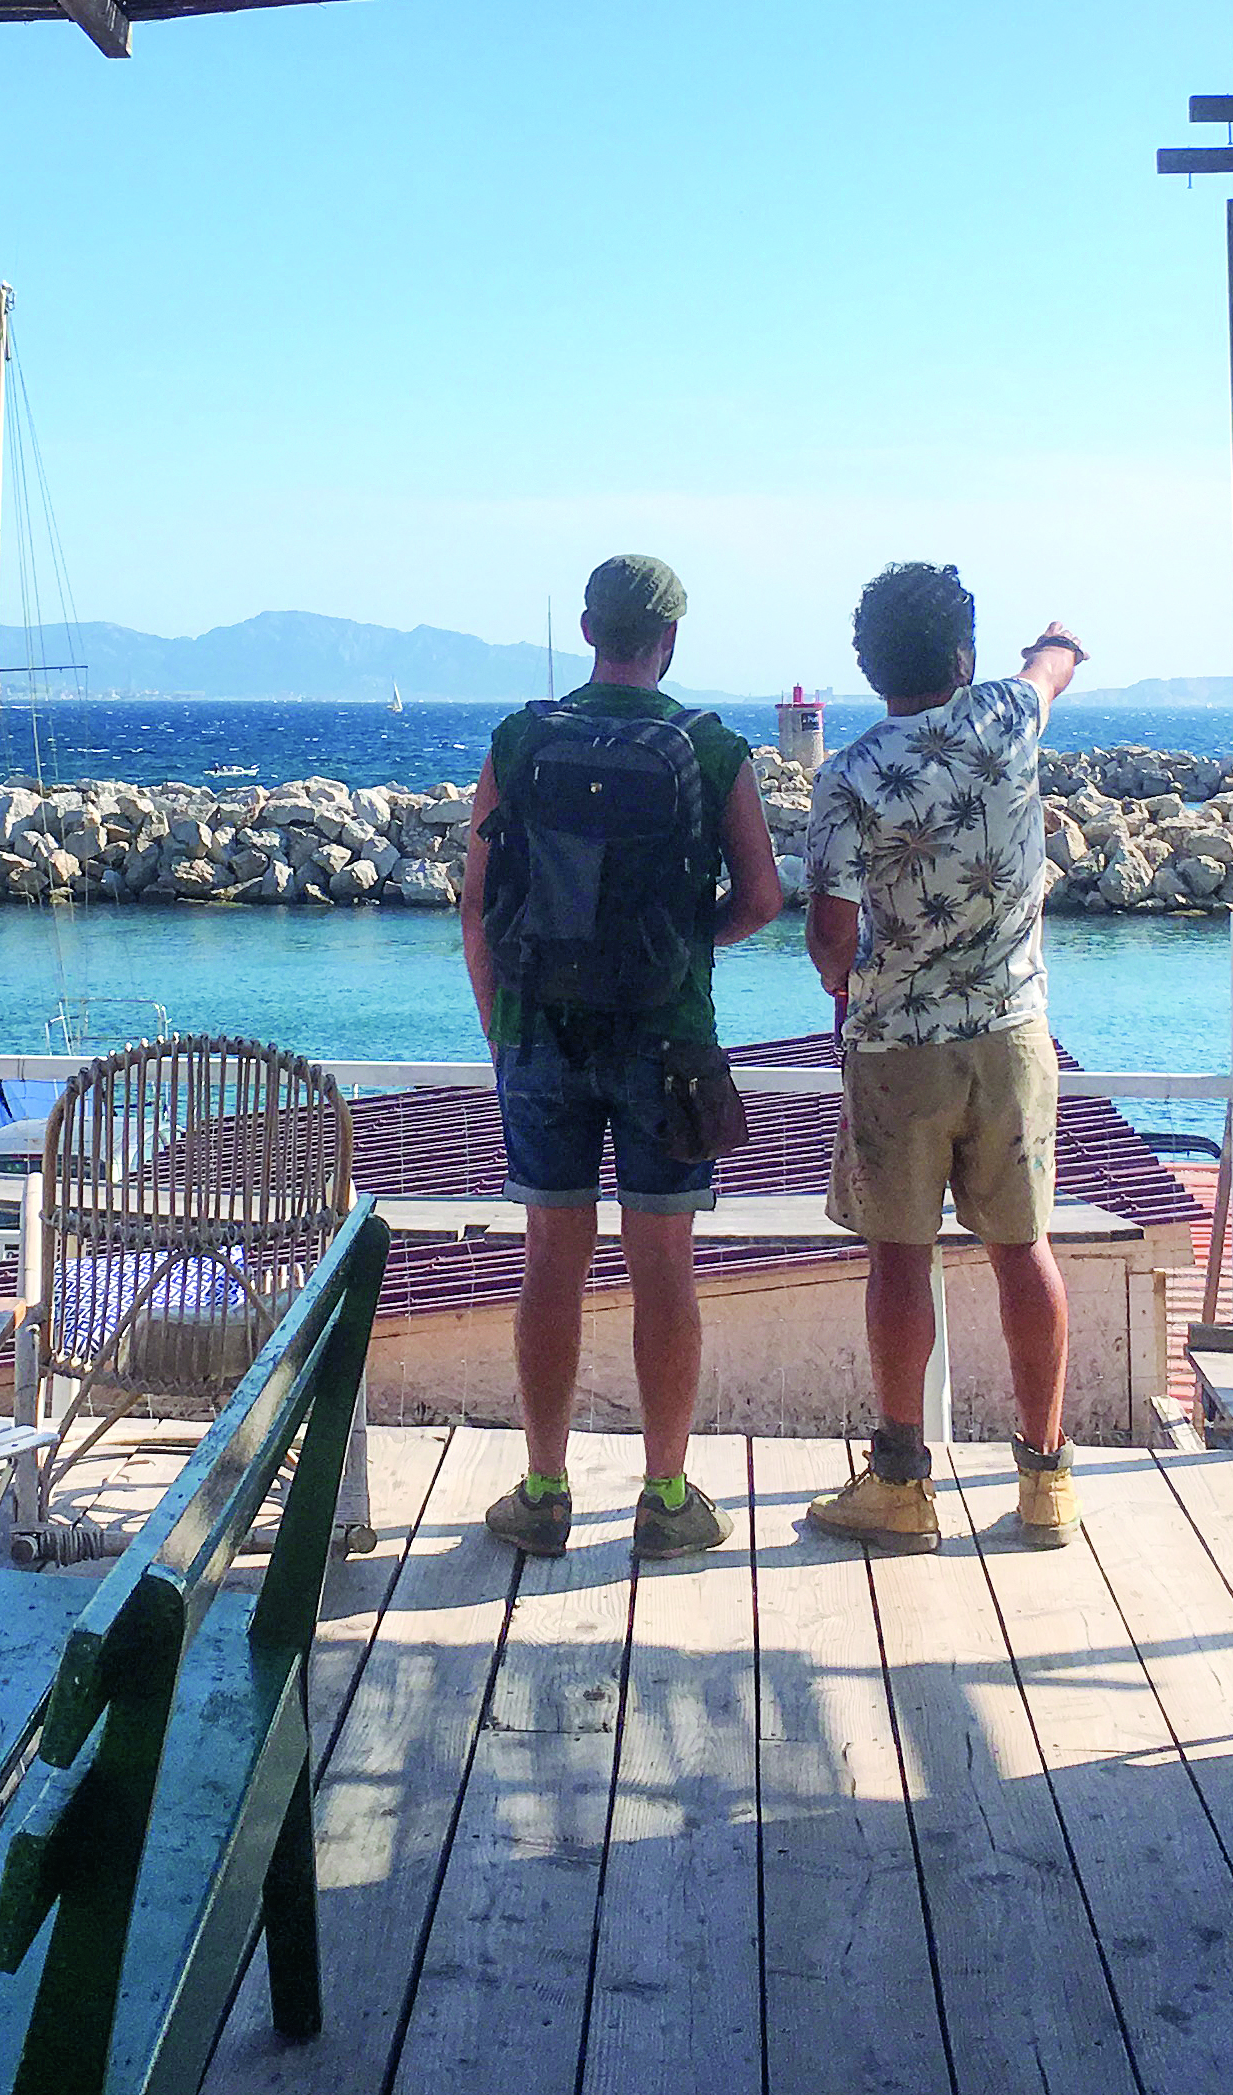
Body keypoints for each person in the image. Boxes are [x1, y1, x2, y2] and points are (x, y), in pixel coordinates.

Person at [459, 553, 783, 1560]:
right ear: (670, 642)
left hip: (540, 1033)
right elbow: (766, 899)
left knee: (551, 1261)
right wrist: (690, 941)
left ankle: (545, 1489)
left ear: (591, 631)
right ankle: (666, 1497)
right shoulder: (713, 747)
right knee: (664, 1268)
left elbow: (477, 902)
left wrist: (498, 1021)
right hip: (667, 1039)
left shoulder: (522, 737)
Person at [794, 563, 1088, 1551]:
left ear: (869, 664)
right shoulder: (1009, 713)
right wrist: (1053, 643)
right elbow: (1053, 664)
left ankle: (902, 1484)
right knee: (1023, 1250)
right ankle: (1046, 1479)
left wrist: (849, 990)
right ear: (963, 655)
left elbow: (831, 934)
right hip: (1012, 1036)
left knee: (900, 1259)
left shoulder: (853, 773)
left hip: (899, 1049)